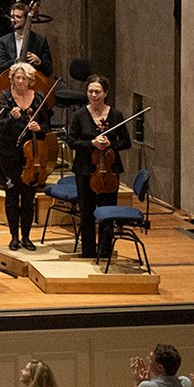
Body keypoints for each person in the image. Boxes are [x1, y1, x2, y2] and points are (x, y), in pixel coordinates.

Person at [67, 75, 130, 260]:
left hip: (110, 170)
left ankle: (105, 251)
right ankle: (88, 251)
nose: (93, 95)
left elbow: (126, 142)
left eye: (97, 91)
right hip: (86, 169)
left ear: (106, 93)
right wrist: (92, 143)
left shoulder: (116, 115)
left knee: (108, 210)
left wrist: (110, 144)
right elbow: (71, 141)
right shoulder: (79, 115)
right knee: (86, 212)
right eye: (90, 91)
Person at [0, 63, 50, 251]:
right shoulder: (5, 98)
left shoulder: (39, 98)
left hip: (33, 155)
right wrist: (10, 118)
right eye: (17, 78)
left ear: (30, 80)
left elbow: (47, 126)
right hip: (10, 152)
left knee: (29, 195)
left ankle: (26, 236)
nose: (20, 81)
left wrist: (39, 127)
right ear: (12, 79)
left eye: (24, 78)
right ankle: (14, 236)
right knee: (12, 195)